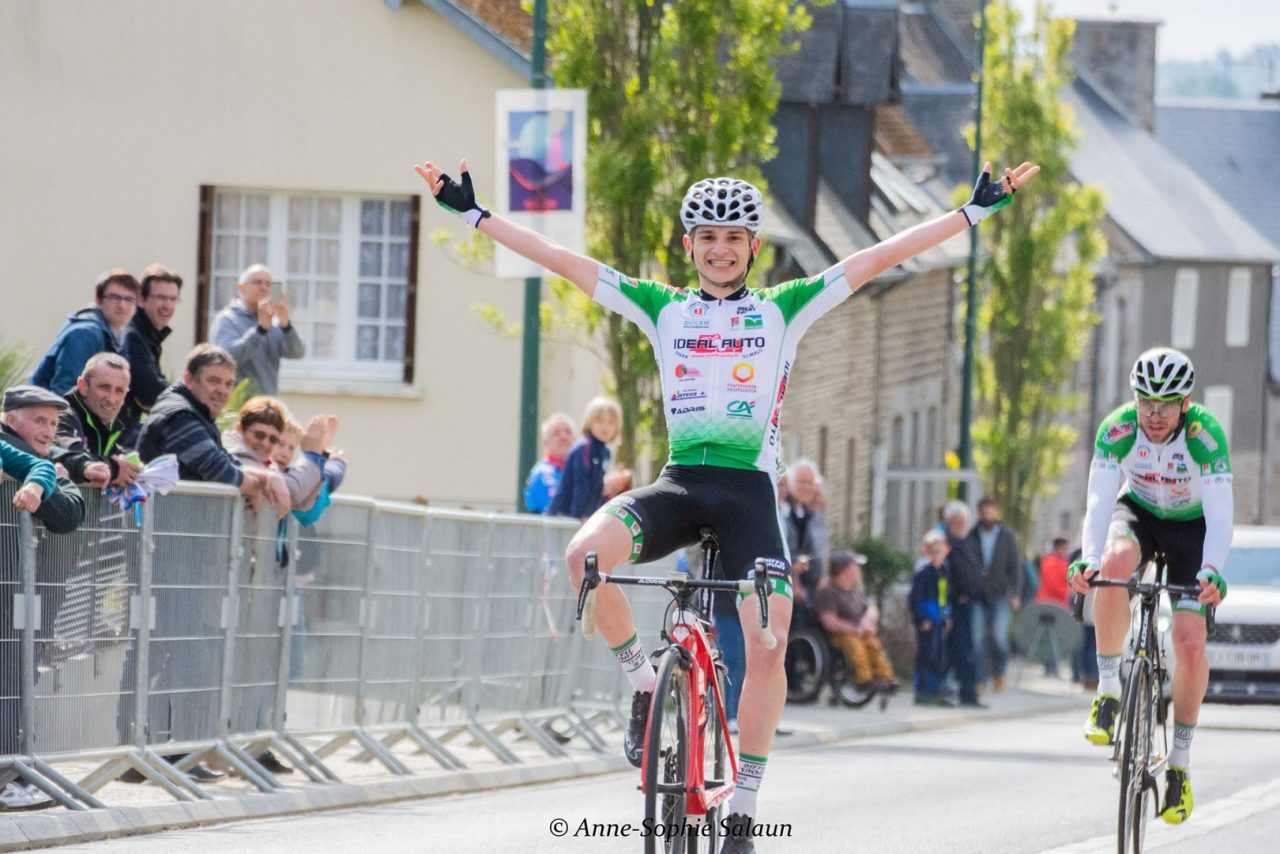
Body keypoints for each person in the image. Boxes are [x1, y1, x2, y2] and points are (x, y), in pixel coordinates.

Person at [415, 153, 1037, 851]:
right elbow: (563, 259)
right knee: (584, 556)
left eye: (733, 238)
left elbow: (875, 258)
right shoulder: (662, 307)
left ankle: (741, 809)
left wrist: (970, 214)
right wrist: (474, 214)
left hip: (750, 498)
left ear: (752, 249)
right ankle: (648, 685)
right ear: (689, 246)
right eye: (706, 237)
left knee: (767, 643)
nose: (718, 249)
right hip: (679, 483)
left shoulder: (782, 309)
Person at [1067, 348, 1230, 826]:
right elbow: (1098, 502)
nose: (1154, 415)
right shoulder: (1117, 429)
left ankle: (1178, 765)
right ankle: (1110, 690)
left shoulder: (1205, 437)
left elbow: (1221, 515)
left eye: (1166, 403)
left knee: (1189, 643)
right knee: (1114, 565)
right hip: (1137, 513)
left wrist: (1213, 568)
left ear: (1186, 403)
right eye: (1146, 403)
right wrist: (1089, 559)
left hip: (1191, 530)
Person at [0, 386, 86, 811]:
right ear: (11, 419)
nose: (48, 431)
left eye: (54, 424)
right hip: (10, 590)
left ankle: (11, 773)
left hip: (17, 593)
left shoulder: (36, 462)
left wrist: (39, 483)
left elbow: (69, 513)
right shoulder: (9, 447)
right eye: (40, 420)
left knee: (15, 682)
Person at [135, 344, 270, 508]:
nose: (222, 390)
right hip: (162, 526)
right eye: (214, 381)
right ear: (189, 380)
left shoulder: (198, 412)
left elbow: (226, 461)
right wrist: (255, 486)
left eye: (229, 384)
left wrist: (266, 478)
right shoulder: (180, 416)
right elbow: (219, 470)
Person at [31, 269, 139, 395]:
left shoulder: (119, 334)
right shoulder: (85, 334)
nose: (122, 305)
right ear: (98, 299)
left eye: (129, 299)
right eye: (114, 297)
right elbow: (66, 391)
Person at [209, 264, 305, 395]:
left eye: (268, 284)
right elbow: (226, 359)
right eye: (257, 282)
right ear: (241, 288)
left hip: (266, 406)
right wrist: (260, 330)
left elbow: (297, 353)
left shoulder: (275, 324)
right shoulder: (227, 320)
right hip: (235, 406)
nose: (263, 287)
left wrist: (286, 324)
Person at [814, 550, 897, 693]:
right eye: (856, 567)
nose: (859, 571)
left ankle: (885, 678)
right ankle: (863, 681)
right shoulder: (828, 592)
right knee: (855, 645)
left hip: (860, 632)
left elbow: (871, 608)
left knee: (873, 644)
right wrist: (856, 629)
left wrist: (866, 621)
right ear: (845, 570)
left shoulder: (855, 592)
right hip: (839, 635)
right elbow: (829, 621)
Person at [55, 353, 142, 488]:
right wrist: (115, 469)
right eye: (104, 387)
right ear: (83, 386)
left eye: (119, 391)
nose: (111, 399)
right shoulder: (61, 416)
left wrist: (130, 470)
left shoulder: (105, 426)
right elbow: (68, 454)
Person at [968, 496, 1023, 693]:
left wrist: (1015, 594)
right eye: (984, 512)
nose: (987, 515)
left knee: (1000, 638)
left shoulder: (1007, 536)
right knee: (977, 639)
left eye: (990, 511)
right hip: (978, 595)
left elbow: (1015, 567)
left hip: (1001, 594)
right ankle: (980, 678)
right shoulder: (973, 534)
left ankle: (999, 673)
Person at [122, 264, 182, 436]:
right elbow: (150, 391)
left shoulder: (149, 336)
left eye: (173, 299)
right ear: (141, 299)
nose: (168, 305)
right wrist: (189, 401)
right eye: (161, 298)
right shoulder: (132, 335)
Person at [547, 396, 620, 521]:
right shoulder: (585, 448)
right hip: (565, 514)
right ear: (589, 423)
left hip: (587, 515)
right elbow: (581, 483)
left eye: (610, 423)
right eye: (600, 422)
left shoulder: (606, 452)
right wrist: (580, 514)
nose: (605, 427)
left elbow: (596, 487)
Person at [942, 500, 983, 707]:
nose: (960, 525)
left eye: (963, 521)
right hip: (953, 605)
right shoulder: (946, 544)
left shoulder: (968, 542)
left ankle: (968, 693)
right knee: (957, 650)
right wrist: (957, 594)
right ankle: (956, 692)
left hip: (969, 603)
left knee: (966, 649)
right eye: (956, 521)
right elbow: (945, 576)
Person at [782, 459, 829, 625]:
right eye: (802, 482)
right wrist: (795, 581)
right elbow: (786, 549)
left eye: (810, 483)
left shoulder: (807, 513)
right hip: (786, 580)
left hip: (806, 583)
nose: (807, 487)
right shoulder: (784, 511)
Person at [909, 531, 953, 707]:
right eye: (933, 552)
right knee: (926, 655)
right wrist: (921, 619)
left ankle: (936, 689)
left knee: (939, 655)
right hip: (928, 618)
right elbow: (915, 599)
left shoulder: (944, 571)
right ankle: (923, 690)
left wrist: (947, 615)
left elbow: (944, 596)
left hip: (939, 619)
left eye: (940, 552)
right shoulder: (923, 573)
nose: (937, 556)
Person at [523, 412, 575, 513]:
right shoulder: (544, 473)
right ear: (546, 442)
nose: (563, 437)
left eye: (568, 432)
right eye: (556, 433)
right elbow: (559, 506)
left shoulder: (579, 471)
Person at [1037, 537, 1071, 609]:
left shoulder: (1060, 562)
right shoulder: (1051, 562)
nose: (1066, 552)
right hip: (1050, 602)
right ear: (1057, 549)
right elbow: (1054, 585)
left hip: (1059, 603)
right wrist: (1068, 593)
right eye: (1064, 549)